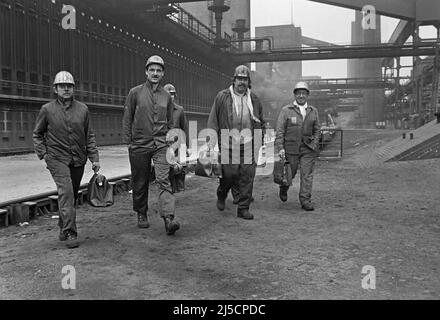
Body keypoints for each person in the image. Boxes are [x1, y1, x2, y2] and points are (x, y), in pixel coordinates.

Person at [33, 71, 100, 249]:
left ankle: (63, 225)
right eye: (62, 86)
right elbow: (37, 134)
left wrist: (94, 157)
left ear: (73, 88)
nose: (66, 89)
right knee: (67, 193)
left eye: (69, 86)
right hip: (56, 158)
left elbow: (89, 135)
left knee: (72, 193)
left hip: (78, 159)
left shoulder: (83, 109)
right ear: (55, 89)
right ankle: (71, 231)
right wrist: (44, 155)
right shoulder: (47, 110)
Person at [122, 55, 180, 235]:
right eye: (152, 70)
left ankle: (169, 218)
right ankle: (141, 213)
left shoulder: (166, 97)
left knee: (164, 180)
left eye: (159, 70)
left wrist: (172, 145)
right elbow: (127, 117)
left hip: (161, 144)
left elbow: (171, 123)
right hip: (139, 144)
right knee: (140, 180)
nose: (155, 73)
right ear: (146, 72)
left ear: (163, 74)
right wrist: (129, 142)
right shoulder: (135, 93)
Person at [207, 65, 265, 220]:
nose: (242, 82)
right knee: (229, 174)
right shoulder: (222, 97)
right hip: (228, 142)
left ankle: (243, 208)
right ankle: (222, 193)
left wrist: (258, 143)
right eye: (239, 78)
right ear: (234, 80)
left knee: (247, 176)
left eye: (245, 79)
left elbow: (261, 122)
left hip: (248, 144)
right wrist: (211, 142)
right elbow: (213, 120)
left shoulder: (254, 99)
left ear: (248, 82)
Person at [275, 81, 320, 211]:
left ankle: (305, 200)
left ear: (307, 95)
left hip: (308, 148)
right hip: (291, 149)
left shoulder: (313, 111)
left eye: (304, 93)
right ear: (295, 95)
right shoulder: (286, 110)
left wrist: (315, 143)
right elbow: (280, 130)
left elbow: (317, 130)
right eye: (299, 93)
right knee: (290, 174)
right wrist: (280, 147)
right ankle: (284, 187)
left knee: (307, 175)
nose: (301, 96)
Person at [164, 83, 189, 193]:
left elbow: (185, 128)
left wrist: (187, 146)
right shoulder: (159, 110)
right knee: (168, 168)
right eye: (168, 94)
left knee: (181, 167)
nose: (171, 96)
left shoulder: (180, 110)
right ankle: (171, 189)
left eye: (173, 94)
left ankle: (180, 186)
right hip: (165, 144)